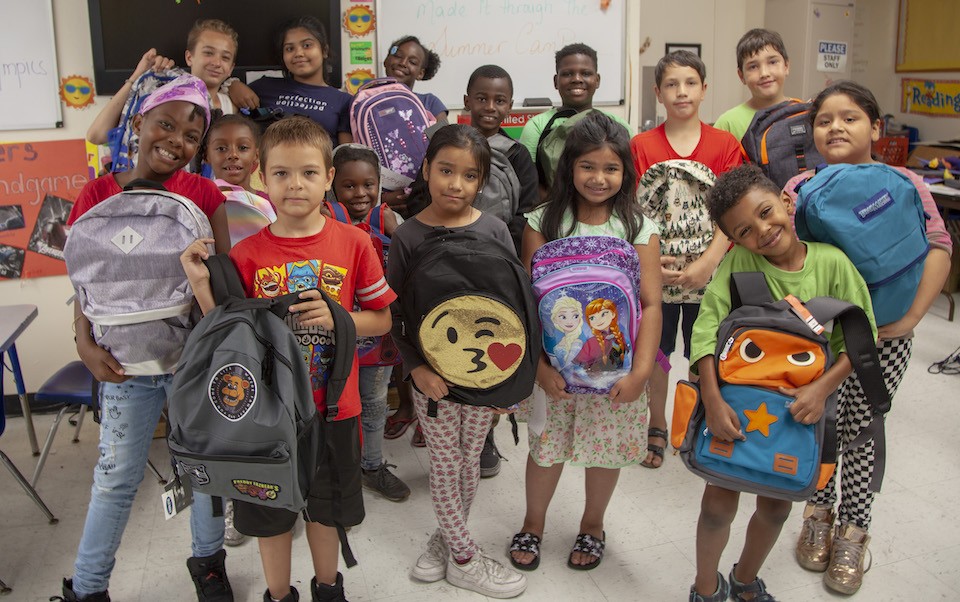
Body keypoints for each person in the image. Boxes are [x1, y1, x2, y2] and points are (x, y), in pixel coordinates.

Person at [181, 116, 394, 602]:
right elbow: (229, 336)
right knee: (270, 514)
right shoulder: (247, 254)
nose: (295, 184)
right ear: (261, 177)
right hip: (266, 417)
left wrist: (338, 317)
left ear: (327, 179)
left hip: (335, 408)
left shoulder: (355, 242)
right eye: (281, 173)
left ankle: (327, 588)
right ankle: (278, 594)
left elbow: (381, 321)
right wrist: (199, 285)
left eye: (308, 173)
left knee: (325, 510)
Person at [60, 74, 232, 602]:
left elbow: (222, 283)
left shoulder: (203, 193)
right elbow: (84, 283)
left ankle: (208, 563)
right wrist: (83, 345)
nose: (175, 140)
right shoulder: (97, 191)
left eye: (189, 135)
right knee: (115, 478)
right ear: (137, 123)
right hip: (121, 365)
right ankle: (88, 588)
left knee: (202, 470)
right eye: (166, 124)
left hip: (192, 363)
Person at [781, 81, 953, 595]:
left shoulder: (906, 181)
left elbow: (939, 245)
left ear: (876, 127)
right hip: (820, 337)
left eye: (850, 117)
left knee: (863, 428)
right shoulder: (799, 188)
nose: (835, 127)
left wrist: (910, 320)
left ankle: (854, 531)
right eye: (824, 119)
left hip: (887, 338)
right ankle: (817, 511)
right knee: (820, 424)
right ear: (812, 132)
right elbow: (786, 259)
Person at [686, 164, 877, 602]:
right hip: (733, 409)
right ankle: (705, 586)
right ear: (734, 241)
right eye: (746, 230)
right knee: (717, 504)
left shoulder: (832, 263)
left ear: (787, 203)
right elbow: (706, 328)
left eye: (767, 212)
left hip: (798, 415)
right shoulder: (738, 263)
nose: (764, 231)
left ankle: (745, 579)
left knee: (776, 504)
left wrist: (822, 387)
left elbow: (863, 335)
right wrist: (711, 399)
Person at [510, 111, 662, 572]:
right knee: (545, 450)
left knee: (606, 451)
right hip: (553, 370)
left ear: (625, 172)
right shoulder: (540, 222)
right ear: (569, 168)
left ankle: (593, 524)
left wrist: (640, 375)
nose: (598, 178)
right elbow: (529, 300)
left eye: (611, 168)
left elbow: (652, 305)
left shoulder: (638, 228)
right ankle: (533, 522)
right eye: (588, 167)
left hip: (617, 371)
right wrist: (538, 366)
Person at [386, 124, 527, 598]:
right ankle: (466, 559)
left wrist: (509, 383)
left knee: (470, 462)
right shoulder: (408, 235)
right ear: (426, 169)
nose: (455, 184)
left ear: (481, 181)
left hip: (485, 375)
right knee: (445, 465)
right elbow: (396, 316)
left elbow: (511, 311)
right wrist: (417, 370)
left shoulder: (492, 229)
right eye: (446, 171)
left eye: (470, 176)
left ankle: (446, 541)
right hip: (436, 383)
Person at [631, 50, 743, 469]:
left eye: (690, 83)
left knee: (704, 352)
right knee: (657, 351)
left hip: (709, 274)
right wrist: (649, 268)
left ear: (704, 89)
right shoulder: (641, 146)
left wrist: (709, 263)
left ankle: (695, 420)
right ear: (658, 92)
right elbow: (635, 213)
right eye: (672, 85)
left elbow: (737, 210)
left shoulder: (724, 145)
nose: (682, 92)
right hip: (656, 275)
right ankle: (656, 423)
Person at [326, 143, 411, 502]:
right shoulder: (324, 219)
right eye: (349, 185)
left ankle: (372, 466)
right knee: (333, 406)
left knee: (375, 403)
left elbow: (410, 265)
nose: (360, 194)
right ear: (333, 184)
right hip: (334, 335)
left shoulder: (389, 220)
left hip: (378, 334)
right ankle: (334, 473)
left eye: (368, 184)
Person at [86, 19, 241, 147]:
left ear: (231, 69)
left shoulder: (230, 106)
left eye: (225, 57)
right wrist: (137, 77)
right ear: (189, 57)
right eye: (208, 53)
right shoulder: (163, 98)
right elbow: (96, 135)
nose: (216, 62)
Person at [517, 43, 631, 196]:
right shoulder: (537, 126)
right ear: (556, 81)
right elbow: (529, 182)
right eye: (567, 74)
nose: (577, 79)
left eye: (585, 73)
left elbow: (629, 176)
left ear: (597, 80)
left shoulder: (618, 126)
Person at [230, 16, 353, 145]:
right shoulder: (264, 86)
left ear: (324, 51)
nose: (298, 53)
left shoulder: (343, 101)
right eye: (289, 48)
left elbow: (344, 154)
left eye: (307, 45)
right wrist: (232, 85)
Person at [377, 35, 448, 217]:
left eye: (412, 61)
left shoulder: (429, 103)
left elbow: (444, 147)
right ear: (386, 60)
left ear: (421, 73)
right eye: (398, 55)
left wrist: (414, 194)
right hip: (376, 200)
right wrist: (380, 197)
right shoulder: (367, 101)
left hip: (423, 198)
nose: (402, 63)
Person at [713, 28, 791, 141]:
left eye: (772, 62)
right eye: (753, 67)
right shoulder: (728, 123)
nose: (764, 73)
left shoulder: (805, 113)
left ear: (786, 66)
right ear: (741, 76)